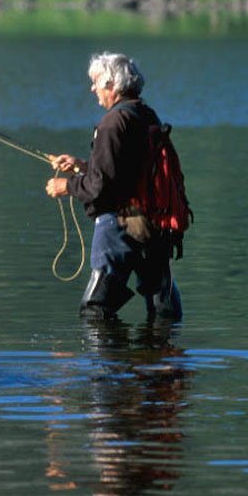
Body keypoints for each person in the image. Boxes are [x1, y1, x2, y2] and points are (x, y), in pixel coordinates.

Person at [45, 51, 182, 322]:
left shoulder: (111, 123)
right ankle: (159, 360)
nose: (92, 88)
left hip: (119, 226)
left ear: (111, 85)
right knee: (163, 309)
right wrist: (83, 165)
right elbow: (125, 170)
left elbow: (100, 187)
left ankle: (112, 364)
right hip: (155, 224)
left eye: (96, 82)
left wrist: (67, 186)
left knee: (95, 311)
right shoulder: (144, 114)